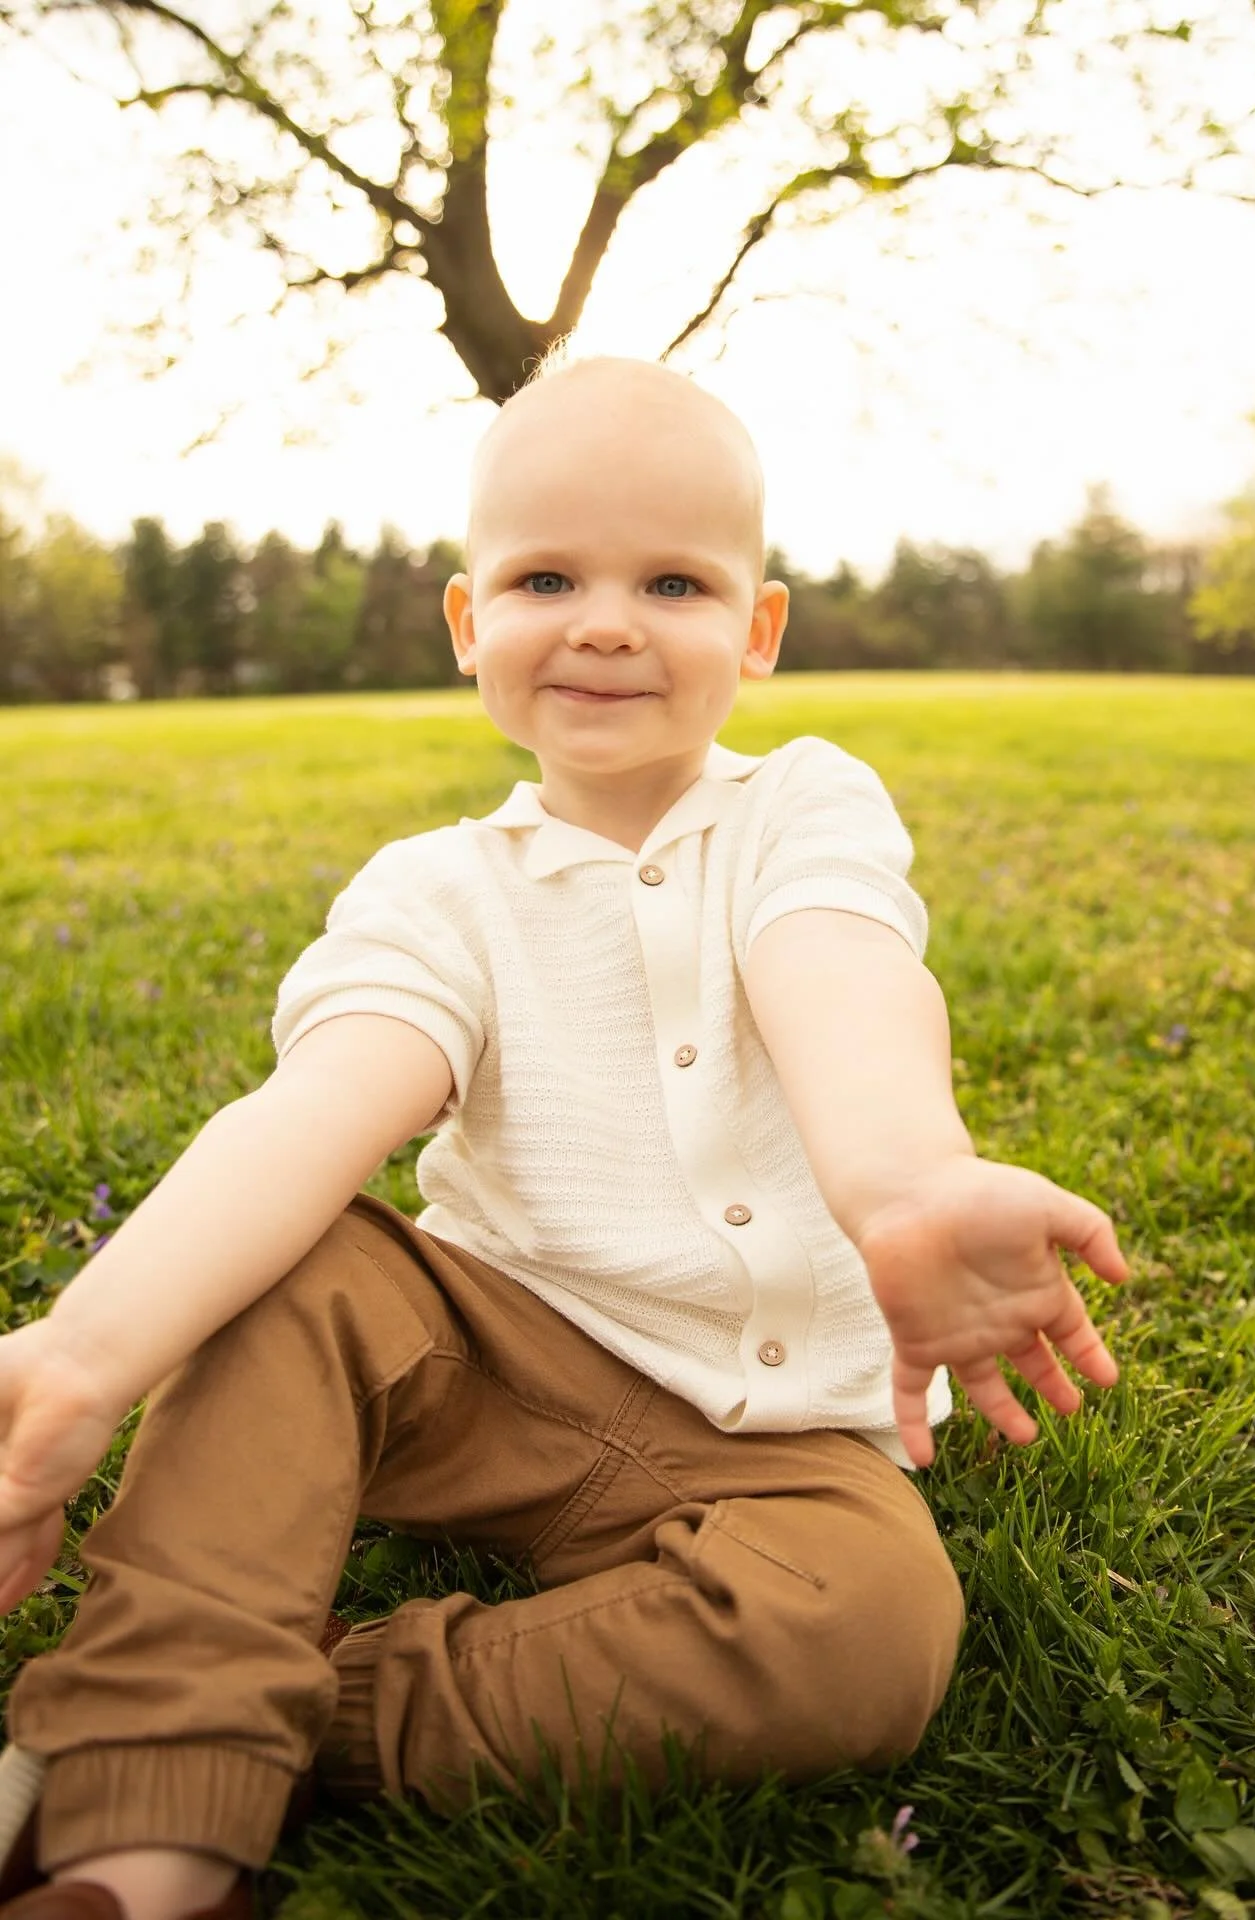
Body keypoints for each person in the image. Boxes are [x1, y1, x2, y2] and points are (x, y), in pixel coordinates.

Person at [0, 355, 1129, 1920]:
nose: (604, 620)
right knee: (302, 1265)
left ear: (758, 630)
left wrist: (906, 1182)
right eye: (546, 577)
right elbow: (321, 1111)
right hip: (496, 1372)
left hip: (779, 1449)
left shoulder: (802, 812)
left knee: (868, 1629)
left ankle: (225, 1712)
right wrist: (80, 1356)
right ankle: (146, 1848)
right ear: (471, 625)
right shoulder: (435, 892)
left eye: (672, 580)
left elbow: (841, 976)